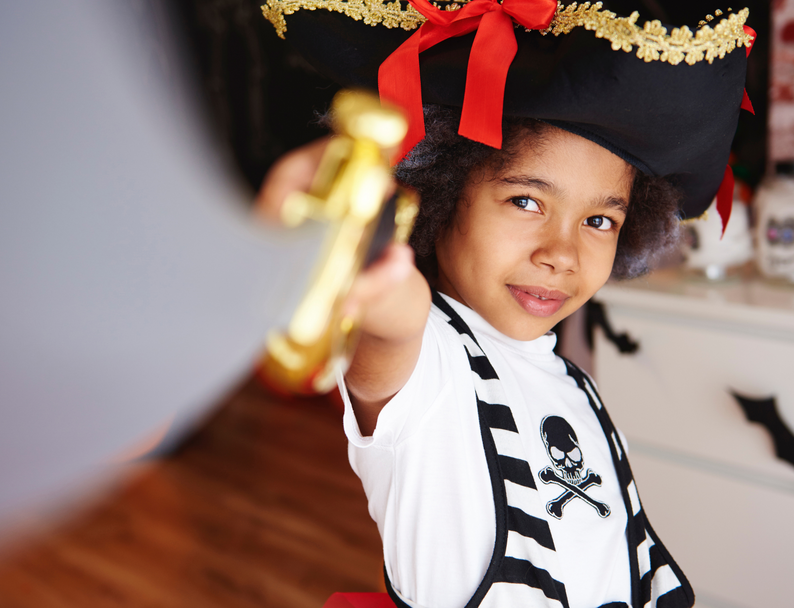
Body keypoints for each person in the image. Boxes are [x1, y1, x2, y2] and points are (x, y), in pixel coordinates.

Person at [259, 2, 754, 606]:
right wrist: (351, 220)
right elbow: (393, 308)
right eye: (526, 202)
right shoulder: (427, 369)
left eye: (599, 219)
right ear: (437, 192)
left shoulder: (577, 388)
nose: (562, 254)